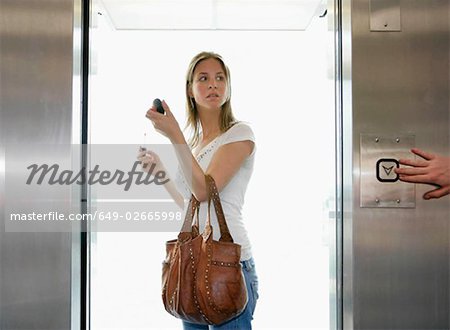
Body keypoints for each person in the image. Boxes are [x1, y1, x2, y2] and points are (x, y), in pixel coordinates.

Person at [138, 51, 259, 329]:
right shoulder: (195, 145)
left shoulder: (240, 134)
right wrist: (160, 173)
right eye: (203, 78)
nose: (213, 84)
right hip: (193, 266)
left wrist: (174, 135)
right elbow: (191, 204)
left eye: (220, 78)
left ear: (227, 89)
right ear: (190, 90)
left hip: (229, 266)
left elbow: (206, 190)